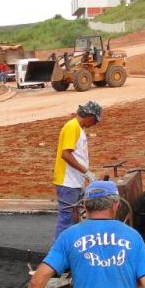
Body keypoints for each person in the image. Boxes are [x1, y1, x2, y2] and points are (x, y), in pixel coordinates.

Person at [52, 101, 102, 240]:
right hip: (68, 182)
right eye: (95, 120)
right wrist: (86, 172)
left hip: (75, 182)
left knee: (74, 219)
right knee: (66, 220)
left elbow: (77, 155)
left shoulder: (79, 129)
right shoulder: (72, 127)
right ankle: (57, 252)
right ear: (89, 116)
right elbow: (65, 154)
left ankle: (70, 248)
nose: (95, 124)